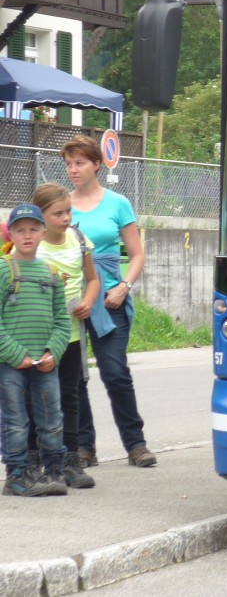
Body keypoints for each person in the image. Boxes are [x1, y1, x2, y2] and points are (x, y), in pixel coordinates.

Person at [62, 135, 157, 468]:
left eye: (80, 163)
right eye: (69, 164)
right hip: (72, 297)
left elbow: (136, 255)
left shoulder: (118, 203)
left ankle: (136, 444)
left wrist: (124, 287)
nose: (73, 170)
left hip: (110, 298)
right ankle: (84, 446)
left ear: (96, 165)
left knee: (114, 372)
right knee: (74, 377)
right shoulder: (63, 205)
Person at [0, 204, 70, 496]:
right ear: (11, 234)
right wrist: (17, 355)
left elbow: (63, 322)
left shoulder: (51, 273)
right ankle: (16, 475)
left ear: (43, 232)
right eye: (20, 229)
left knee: (52, 419)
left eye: (33, 229)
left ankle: (54, 470)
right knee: (15, 421)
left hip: (45, 363)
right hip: (10, 364)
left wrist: (52, 353)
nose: (27, 235)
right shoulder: (4, 270)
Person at [32, 182, 99, 488]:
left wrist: (87, 301)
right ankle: (36, 463)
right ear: (40, 215)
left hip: (71, 335)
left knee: (69, 397)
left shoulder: (79, 240)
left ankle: (72, 461)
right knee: (36, 399)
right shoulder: (32, 245)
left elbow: (93, 280)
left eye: (68, 211)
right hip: (38, 338)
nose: (65, 217)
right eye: (57, 213)